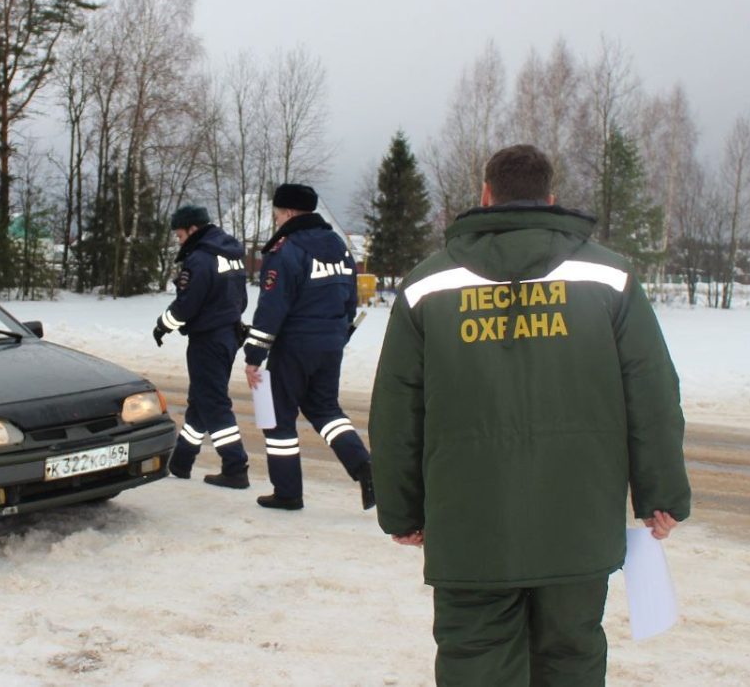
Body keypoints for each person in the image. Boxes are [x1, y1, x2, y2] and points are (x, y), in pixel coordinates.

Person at [369, 144, 691, 686]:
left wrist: (402, 509)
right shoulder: (611, 278)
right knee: (570, 660)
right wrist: (662, 494)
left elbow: (398, 406)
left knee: (475, 661)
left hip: (470, 529)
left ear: (486, 195)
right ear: (551, 198)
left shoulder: (427, 285)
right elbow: (652, 393)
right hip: (579, 524)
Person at [243, 183, 374, 511]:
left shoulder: (287, 250)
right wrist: (339, 336)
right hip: (331, 343)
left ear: (287, 212)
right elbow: (349, 298)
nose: (275, 220)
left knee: (277, 417)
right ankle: (366, 469)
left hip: (295, 346)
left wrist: (254, 356)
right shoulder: (338, 246)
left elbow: (272, 308)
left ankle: (287, 493)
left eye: (276, 214)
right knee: (326, 410)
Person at [153, 205, 251, 489]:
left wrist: (163, 324)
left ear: (193, 229)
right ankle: (181, 462)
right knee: (201, 400)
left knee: (214, 403)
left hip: (208, 339)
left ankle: (235, 466)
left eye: (180, 234)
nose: (179, 240)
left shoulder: (200, 259)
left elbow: (186, 306)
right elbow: (240, 299)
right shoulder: (231, 254)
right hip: (229, 335)